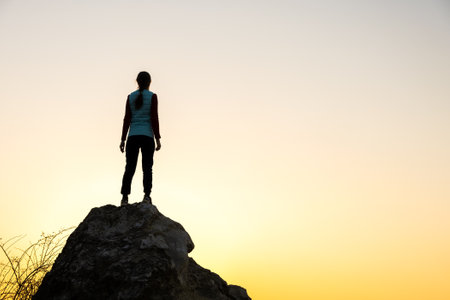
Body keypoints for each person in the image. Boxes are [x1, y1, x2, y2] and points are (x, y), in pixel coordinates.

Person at [120, 71, 161, 206]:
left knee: (129, 167)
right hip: (147, 137)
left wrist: (123, 139)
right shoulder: (152, 97)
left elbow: (127, 119)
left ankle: (125, 198)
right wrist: (158, 138)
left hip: (132, 137)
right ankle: (147, 196)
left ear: (137, 82)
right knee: (147, 168)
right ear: (149, 82)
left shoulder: (130, 97)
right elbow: (154, 118)